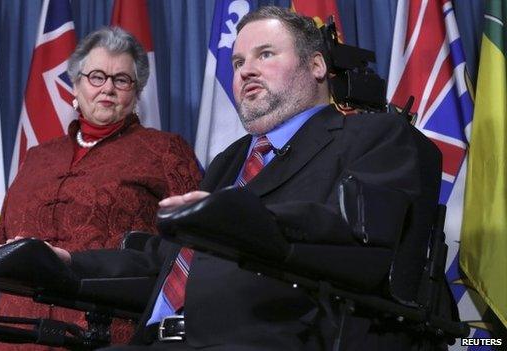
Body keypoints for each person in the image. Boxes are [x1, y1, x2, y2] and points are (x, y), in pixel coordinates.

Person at [45, 7, 429, 350]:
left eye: (265, 54)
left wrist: (237, 216)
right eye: (238, 61)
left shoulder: (372, 136)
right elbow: (170, 259)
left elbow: (350, 235)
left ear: (316, 66)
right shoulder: (231, 160)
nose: (245, 69)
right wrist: (70, 263)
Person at [0, 27, 202, 350]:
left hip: (106, 335)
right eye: (96, 77)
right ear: (76, 85)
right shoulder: (37, 158)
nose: (108, 88)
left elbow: (193, 248)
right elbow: (1, 241)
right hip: (18, 335)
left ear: (135, 92)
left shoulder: (165, 151)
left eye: (121, 80)